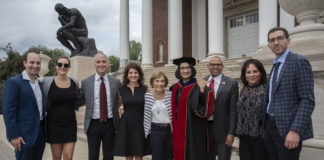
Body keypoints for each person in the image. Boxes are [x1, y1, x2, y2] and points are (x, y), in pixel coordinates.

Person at [264, 27, 315, 160]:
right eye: (272, 40)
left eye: (280, 38)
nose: (276, 42)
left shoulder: (298, 61)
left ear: (288, 40)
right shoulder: (275, 66)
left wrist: (295, 130)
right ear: (269, 45)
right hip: (270, 127)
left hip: (287, 129)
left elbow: (307, 99)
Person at [2, 52, 46, 160]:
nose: (35, 65)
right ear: (25, 63)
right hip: (23, 135)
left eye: (38, 63)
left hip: (40, 133)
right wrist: (13, 136)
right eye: (32, 62)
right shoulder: (14, 83)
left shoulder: (39, 83)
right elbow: (8, 111)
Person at [170, 57, 215, 160]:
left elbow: (206, 109)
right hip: (178, 128)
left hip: (195, 128)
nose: (185, 71)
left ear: (192, 69)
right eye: (182, 68)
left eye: (188, 68)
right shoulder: (174, 87)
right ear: (179, 70)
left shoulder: (199, 85)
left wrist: (202, 90)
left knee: (194, 153)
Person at [79, 53, 121, 160]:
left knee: (109, 156)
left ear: (107, 64)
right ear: (94, 64)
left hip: (110, 124)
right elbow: (81, 100)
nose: (101, 64)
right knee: (93, 156)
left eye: (104, 62)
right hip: (93, 124)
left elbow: (119, 100)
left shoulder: (116, 82)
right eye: (98, 62)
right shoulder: (86, 82)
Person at [43, 56, 81, 160]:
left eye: (66, 65)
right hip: (54, 125)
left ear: (69, 67)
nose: (62, 67)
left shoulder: (74, 83)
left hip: (70, 124)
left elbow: (78, 99)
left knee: (68, 157)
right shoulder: (47, 83)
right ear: (56, 66)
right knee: (56, 157)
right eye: (60, 64)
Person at [114, 63, 151, 160]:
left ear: (139, 75)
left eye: (135, 72)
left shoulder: (145, 89)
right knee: (128, 154)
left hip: (140, 123)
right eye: (130, 73)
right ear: (127, 75)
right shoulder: (121, 89)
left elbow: (150, 106)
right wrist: (120, 109)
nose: (133, 75)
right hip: (126, 124)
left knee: (139, 154)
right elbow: (117, 105)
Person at [204, 56, 238, 160]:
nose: (215, 67)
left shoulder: (231, 83)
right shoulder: (202, 82)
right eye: (213, 64)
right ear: (208, 66)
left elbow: (233, 110)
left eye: (218, 64)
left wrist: (231, 133)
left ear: (223, 66)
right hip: (205, 130)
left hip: (223, 132)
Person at [235, 59, 268, 160]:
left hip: (261, 139)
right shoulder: (243, 89)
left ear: (261, 73)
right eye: (248, 72)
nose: (252, 75)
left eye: (255, 71)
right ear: (244, 75)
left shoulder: (267, 89)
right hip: (244, 137)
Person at [143, 71, 172, 160]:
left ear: (166, 83)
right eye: (157, 81)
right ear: (152, 83)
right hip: (155, 131)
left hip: (169, 130)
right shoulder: (146, 96)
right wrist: (123, 109)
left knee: (169, 156)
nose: (160, 83)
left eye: (162, 81)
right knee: (157, 157)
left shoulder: (171, 95)